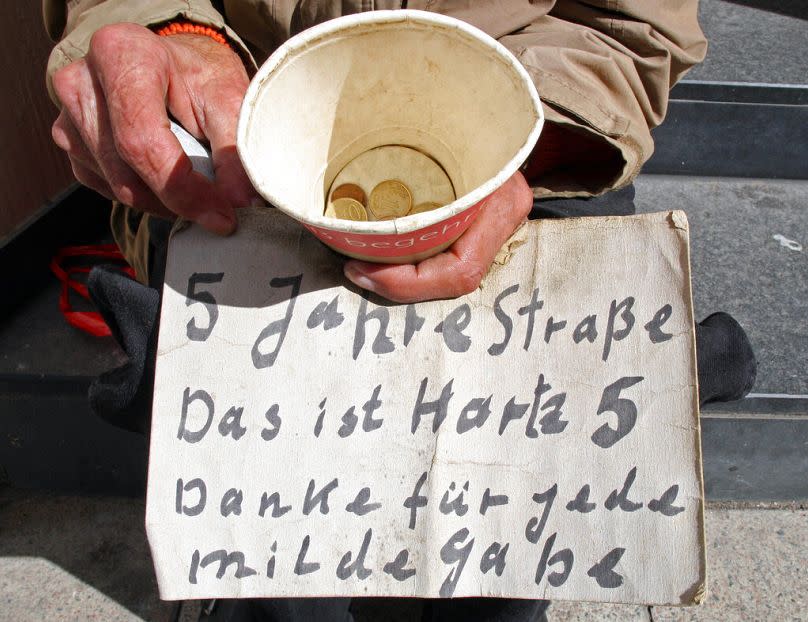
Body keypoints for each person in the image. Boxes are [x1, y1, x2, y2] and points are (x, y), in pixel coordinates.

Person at [43, 2, 756, 621]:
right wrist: (167, 31)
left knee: (511, 487)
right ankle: (270, 590)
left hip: (539, 138)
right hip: (233, 158)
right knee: (276, 519)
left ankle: (503, 589)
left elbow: (633, 30)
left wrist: (539, 140)